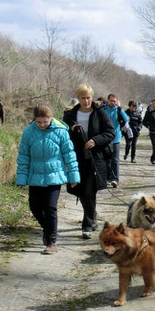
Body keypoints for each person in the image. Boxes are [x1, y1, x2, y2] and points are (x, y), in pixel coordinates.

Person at [16, 104, 80, 254]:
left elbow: (70, 156)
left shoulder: (61, 132)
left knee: (50, 208)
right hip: (35, 177)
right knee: (35, 207)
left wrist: (73, 176)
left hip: (54, 177)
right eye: (39, 122)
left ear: (51, 118)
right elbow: (24, 157)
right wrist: (21, 179)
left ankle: (51, 241)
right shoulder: (28, 133)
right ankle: (48, 229)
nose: (42, 125)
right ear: (34, 120)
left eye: (45, 121)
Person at [63, 84, 115, 239]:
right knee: (78, 191)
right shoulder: (70, 114)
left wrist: (95, 140)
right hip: (76, 159)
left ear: (92, 98)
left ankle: (86, 226)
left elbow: (110, 132)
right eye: (83, 98)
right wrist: (71, 129)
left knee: (89, 192)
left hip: (95, 159)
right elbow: (63, 132)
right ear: (78, 99)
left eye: (88, 98)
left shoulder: (100, 113)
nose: (86, 101)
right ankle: (92, 215)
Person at [103, 94, 129, 187]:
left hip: (116, 138)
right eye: (111, 100)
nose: (112, 103)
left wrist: (120, 108)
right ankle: (107, 177)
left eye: (114, 101)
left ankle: (115, 179)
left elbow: (126, 119)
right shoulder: (103, 109)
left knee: (115, 160)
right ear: (107, 100)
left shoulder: (118, 110)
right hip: (105, 138)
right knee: (106, 159)